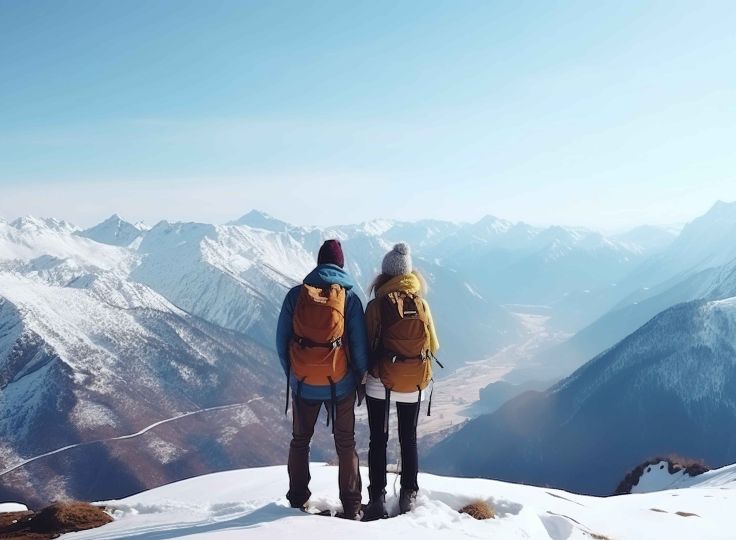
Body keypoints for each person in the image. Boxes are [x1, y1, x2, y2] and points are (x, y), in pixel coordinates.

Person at [276, 239, 369, 520]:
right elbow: (359, 345)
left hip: (303, 384)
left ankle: (297, 499)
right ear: (340, 265)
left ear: (318, 263)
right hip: (340, 385)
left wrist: (294, 376)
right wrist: (359, 380)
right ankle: (352, 505)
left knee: (300, 440)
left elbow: (281, 341)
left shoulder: (296, 295)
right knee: (346, 443)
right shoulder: (349, 299)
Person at [361, 242, 440, 521]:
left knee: (377, 440)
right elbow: (434, 345)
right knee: (409, 438)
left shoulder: (376, 305)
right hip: (415, 382)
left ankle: (377, 500)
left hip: (380, 382)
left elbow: (367, 346)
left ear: (384, 275)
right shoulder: (421, 303)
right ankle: (408, 496)